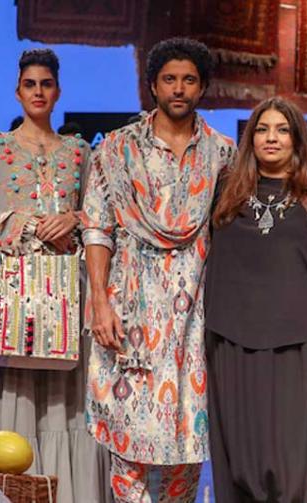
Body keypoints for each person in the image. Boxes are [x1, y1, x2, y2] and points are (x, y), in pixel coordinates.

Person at [82, 37, 235, 502]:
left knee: (187, 438)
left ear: (202, 87)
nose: (179, 89)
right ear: (152, 85)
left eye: (189, 80)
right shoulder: (116, 149)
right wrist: (100, 301)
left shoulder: (222, 153)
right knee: (126, 431)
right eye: (169, 79)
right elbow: (97, 228)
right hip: (129, 308)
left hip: (194, 317)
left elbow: (233, 231)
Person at [0, 48, 109, 503]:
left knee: (65, 400)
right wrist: (25, 224)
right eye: (30, 84)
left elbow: (99, 216)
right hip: (14, 294)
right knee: (17, 391)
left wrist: (72, 219)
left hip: (67, 291)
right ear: (18, 91)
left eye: (46, 84)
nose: (39, 92)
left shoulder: (80, 152)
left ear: (58, 91)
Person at [205, 97, 307, 502]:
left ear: (298, 139)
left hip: (300, 346)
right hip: (231, 343)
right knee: (241, 464)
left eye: (282, 130)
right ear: (250, 138)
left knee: (292, 468)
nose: (272, 138)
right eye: (263, 129)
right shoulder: (226, 190)